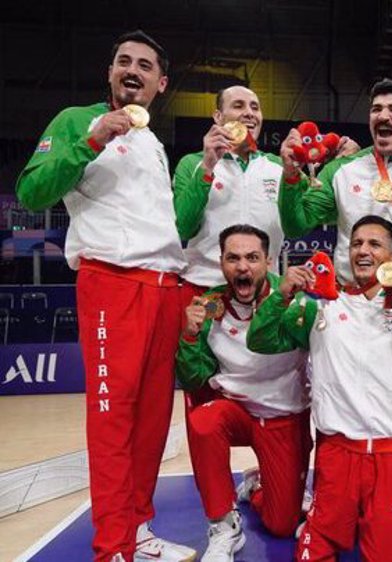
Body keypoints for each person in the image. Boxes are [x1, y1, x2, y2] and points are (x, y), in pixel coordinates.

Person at [15, 30, 195, 562]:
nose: (132, 70)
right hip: (113, 284)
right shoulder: (78, 120)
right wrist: (92, 140)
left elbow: (163, 225)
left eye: (144, 65)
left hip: (165, 288)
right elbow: (32, 191)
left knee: (152, 424)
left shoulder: (155, 145)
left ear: (160, 84)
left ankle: (136, 532)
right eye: (123, 61)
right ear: (111, 73)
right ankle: (111, 547)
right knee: (114, 420)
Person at [247, 216, 392, 562]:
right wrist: (281, 295)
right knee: (311, 554)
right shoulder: (321, 305)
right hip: (337, 455)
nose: (362, 251)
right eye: (356, 243)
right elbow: (260, 340)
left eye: (374, 244)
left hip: (391, 455)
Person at [174, 224, 310, 562]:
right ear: (221, 262)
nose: (242, 267)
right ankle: (223, 524)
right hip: (235, 413)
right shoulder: (206, 306)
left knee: (282, 524)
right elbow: (194, 381)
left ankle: (256, 486)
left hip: (283, 416)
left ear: (268, 261)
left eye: (252, 258)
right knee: (204, 419)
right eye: (233, 258)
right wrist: (189, 336)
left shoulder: (295, 299)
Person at [173, 85, 358, 300]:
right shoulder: (192, 163)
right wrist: (208, 166)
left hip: (264, 293)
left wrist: (347, 164)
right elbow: (184, 228)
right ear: (218, 116)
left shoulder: (282, 167)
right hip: (203, 288)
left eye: (255, 107)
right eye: (238, 105)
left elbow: (323, 212)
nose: (249, 113)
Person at [277, 78, 392, 281]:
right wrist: (291, 176)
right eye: (376, 109)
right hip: (350, 301)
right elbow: (295, 228)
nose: (383, 116)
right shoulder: (340, 170)